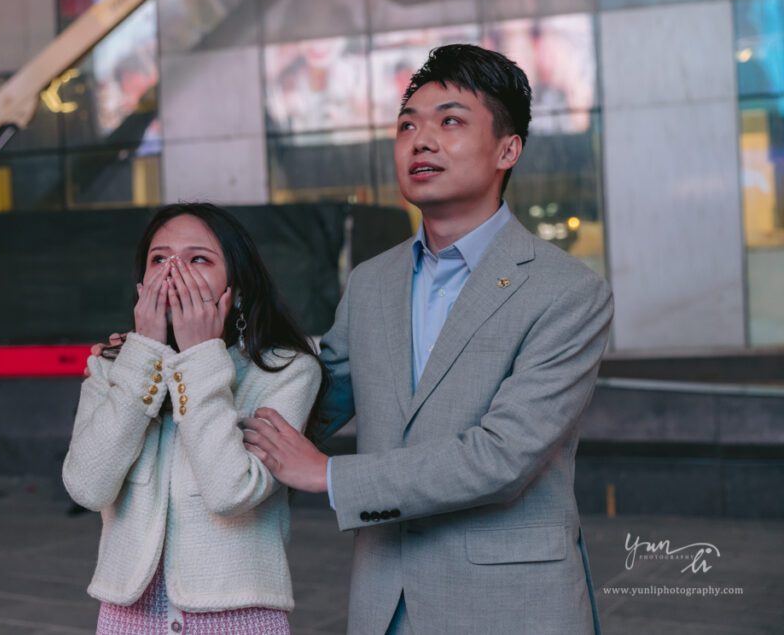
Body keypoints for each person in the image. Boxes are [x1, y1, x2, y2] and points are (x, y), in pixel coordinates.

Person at [241, 44, 613, 634]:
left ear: (508, 149)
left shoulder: (566, 292)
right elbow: (310, 398)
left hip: (509, 606)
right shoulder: (371, 282)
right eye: (407, 125)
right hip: (385, 603)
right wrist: (173, 359)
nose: (421, 141)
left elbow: (502, 456)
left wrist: (329, 476)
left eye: (450, 121)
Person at [64, 203, 326, 634]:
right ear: (142, 284)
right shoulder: (113, 366)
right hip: (127, 617)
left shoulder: (286, 372)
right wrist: (143, 355)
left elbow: (230, 491)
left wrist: (199, 356)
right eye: (159, 259)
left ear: (236, 289)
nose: (174, 273)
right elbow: (87, 487)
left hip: (238, 618)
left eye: (198, 259)